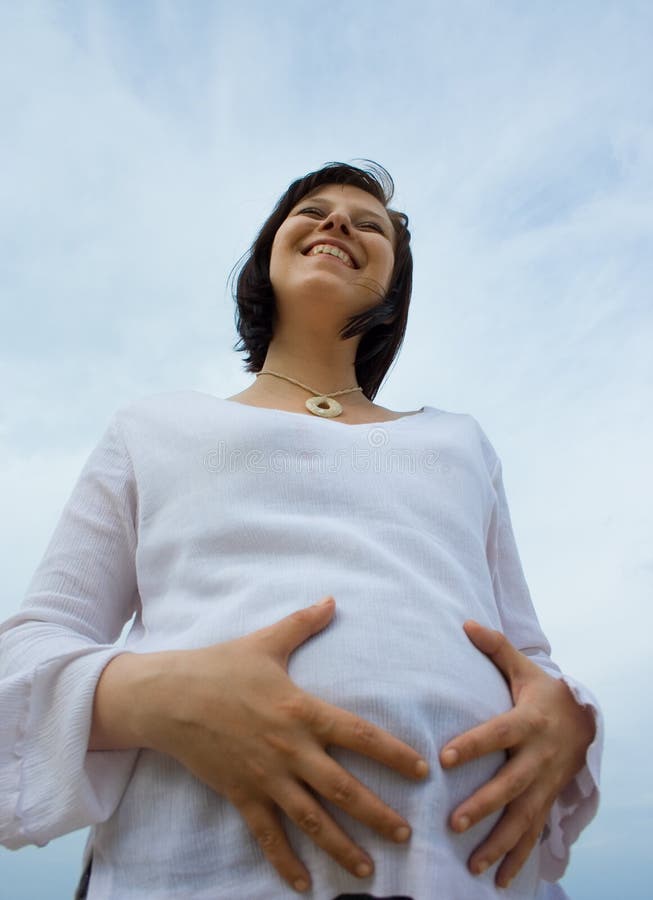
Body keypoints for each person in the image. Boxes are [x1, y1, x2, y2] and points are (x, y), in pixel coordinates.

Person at [0, 161, 602, 899]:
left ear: (392, 291)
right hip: (194, 870)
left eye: (369, 223)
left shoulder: (461, 443)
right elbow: (31, 648)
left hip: (467, 873)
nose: (339, 223)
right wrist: (159, 698)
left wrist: (568, 721)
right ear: (266, 258)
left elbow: (526, 655)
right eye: (311, 211)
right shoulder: (154, 426)